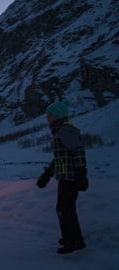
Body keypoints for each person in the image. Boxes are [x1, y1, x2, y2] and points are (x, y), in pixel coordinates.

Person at [36, 100, 88, 254]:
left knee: (66, 210)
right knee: (63, 209)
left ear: (57, 115)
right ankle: (70, 238)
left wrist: (81, 173)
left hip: (70, 178)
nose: (47, 117)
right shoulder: (60, 131)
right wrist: (48, 173)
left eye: (49, 115)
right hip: (65, 176)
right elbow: (60, 158)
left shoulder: (65, 130)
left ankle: (74, 241)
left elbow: (78, 151)